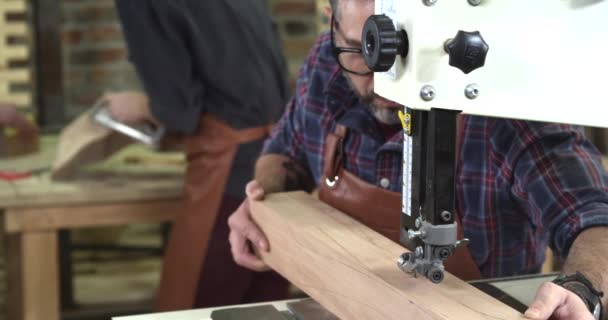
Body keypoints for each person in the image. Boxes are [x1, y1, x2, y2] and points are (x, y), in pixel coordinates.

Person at [227, 0, 608, 319]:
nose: (380, 80)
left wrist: (583, 287)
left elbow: (593, 215)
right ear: (331, 17)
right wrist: (264, 202)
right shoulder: (329, 63)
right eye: (364, 51)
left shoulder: (504, 102)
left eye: (398, 59)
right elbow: (284, 152)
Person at [105, 0, 290, 311]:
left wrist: (138, 105)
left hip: (228, 179)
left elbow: (177, 111)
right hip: (278, 169)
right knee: (264, 312)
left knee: (192, 310)